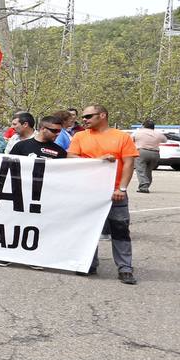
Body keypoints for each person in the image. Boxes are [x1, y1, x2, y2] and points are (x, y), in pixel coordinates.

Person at [68, 104, 138, 284]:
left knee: (120, 230)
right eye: (83, 117)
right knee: (88, 230)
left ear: (102, 115)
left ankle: (125, 268)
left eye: (88, 116)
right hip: (87, 193)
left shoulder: (122, 137)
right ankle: (89, 263)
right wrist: (97, 160)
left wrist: (121, 189)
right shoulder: (79, 136)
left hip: (115, 193)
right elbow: (71, 158)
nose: (84, 120)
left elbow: (129, 164)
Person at [131, 119, 163, 193]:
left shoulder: (138, 132)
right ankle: (146, 185)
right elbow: (164, 140)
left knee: (141, 170)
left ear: (143, 126)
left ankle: (144, 186)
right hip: (155, 153)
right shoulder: (157, 134)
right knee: (148, 170)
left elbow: (130, 140)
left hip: (142, 152)